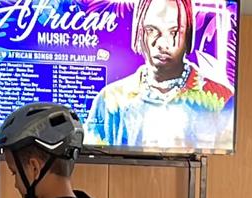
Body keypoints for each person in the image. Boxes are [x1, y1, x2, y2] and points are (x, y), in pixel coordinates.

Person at [85, 0, 234, 151]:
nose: (162, 43)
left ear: (188, 35)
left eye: (174, 32)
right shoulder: (110, 99)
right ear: (139, 32)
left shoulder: (223, 98)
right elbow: (93, 153)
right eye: (151, 30)